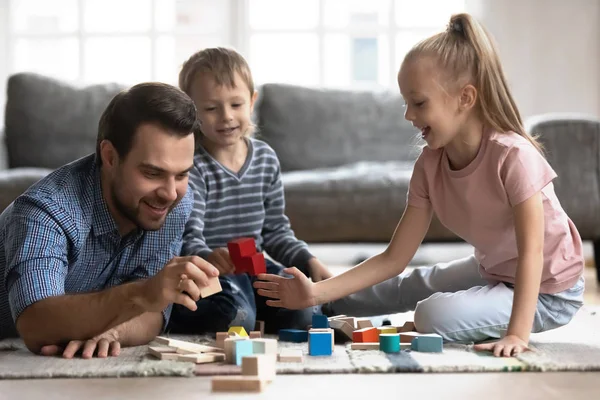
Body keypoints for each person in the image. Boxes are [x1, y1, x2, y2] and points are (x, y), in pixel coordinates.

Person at [254, 13, 585, 357]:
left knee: (431, 315)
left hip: (550, 290)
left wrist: (517, 334)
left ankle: (473, 317)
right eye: (406, 103)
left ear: (465, 98)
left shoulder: (513, 156)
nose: (408, 116)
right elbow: (394, 259)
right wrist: (317, 293)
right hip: (496, 270)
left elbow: (532, 252)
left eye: (419, 102)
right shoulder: (430, 164)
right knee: (412, 282)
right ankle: (319, 307)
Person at [0, 82, 219, 358]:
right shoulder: (47, 211)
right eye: (152, 173)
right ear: (110, 157)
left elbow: (155, 312)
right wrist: (140, 294)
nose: (170, 193)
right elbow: (34, 324)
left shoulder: (176, 204)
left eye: (182, 174)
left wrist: (113, 330)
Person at [168, 47, 332, 334]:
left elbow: (276, 232)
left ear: (252, 102)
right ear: (191, 111)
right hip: (210, 273)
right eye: (210, 108)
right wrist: (208, 256)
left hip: (255, 268)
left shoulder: (266, 159)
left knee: (305, 311)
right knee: (238, 316)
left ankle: (263, 312)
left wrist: (308, 260)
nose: (226, 117)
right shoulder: (192, 165)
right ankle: (178, 312)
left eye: (236, 104)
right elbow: (187, 235)